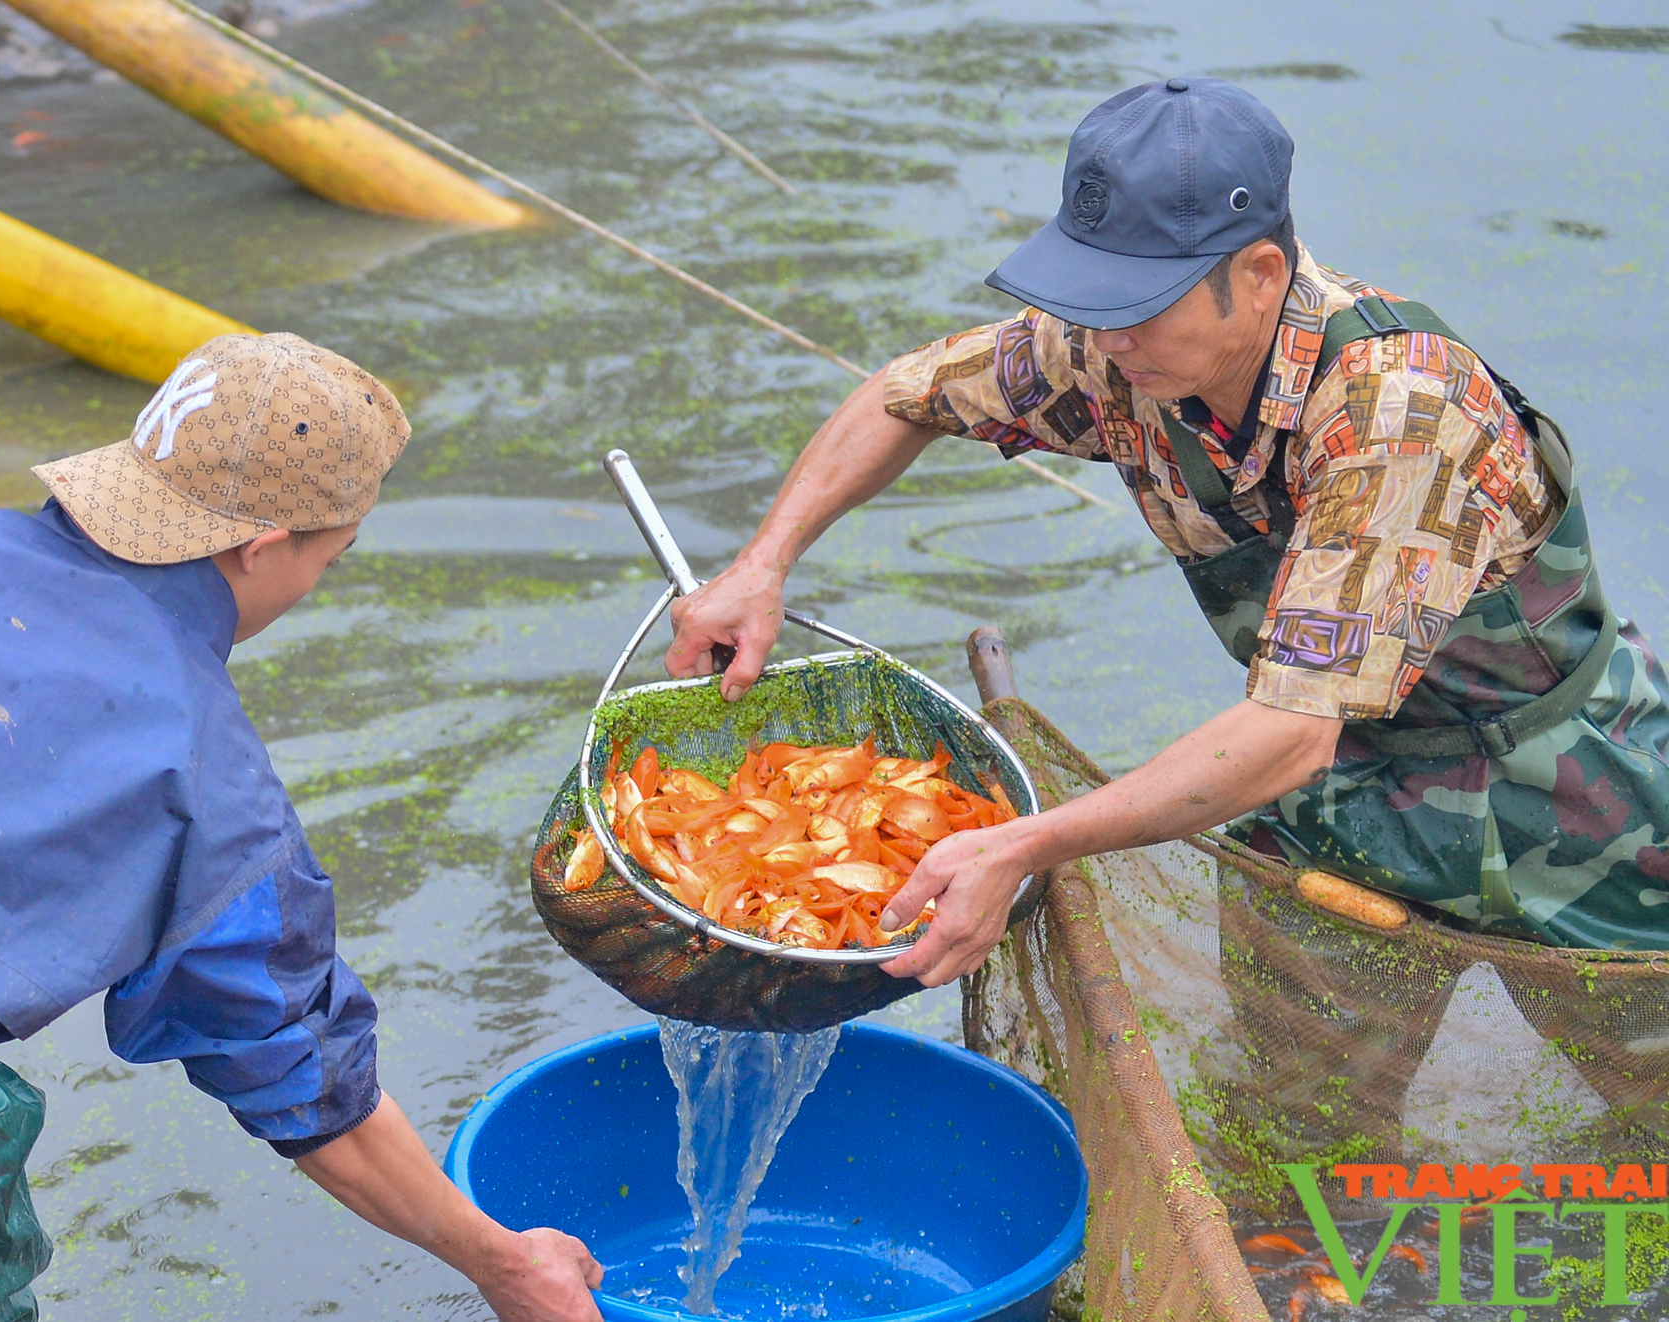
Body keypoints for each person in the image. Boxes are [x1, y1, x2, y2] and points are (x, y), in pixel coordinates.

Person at [0, 333, 602, 1322]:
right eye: (333, 555)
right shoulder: (211, 785)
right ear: (262, 543)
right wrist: (498, 1260)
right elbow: (305, 1081)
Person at [666, 77, 1669, 990]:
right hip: (1349, 787)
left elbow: (1285, 731)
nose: (1102, 340)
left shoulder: (1394, 410)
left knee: (1630, 1113)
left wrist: (1021, 843)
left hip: (1565, 797)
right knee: (1289, 1122)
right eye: (1088, 297)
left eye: (1135, 306)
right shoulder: (1111, 353)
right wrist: (761, 564)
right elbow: (904, 396)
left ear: (1261, 271)